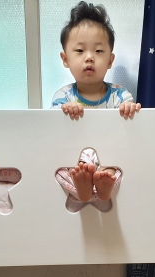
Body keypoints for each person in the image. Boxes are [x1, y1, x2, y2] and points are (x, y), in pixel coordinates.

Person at [52, 1, 141, 205]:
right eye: (80, 50)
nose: (90, 57)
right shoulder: (63, 96)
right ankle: (83, 188)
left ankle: (101, 185)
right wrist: (64, 111)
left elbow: (129, 132)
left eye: (99, 51)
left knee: (118, 168)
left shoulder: (120, 95)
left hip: (109, 159)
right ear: (65, 59)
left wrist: (129, 109)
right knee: (61, 170)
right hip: (75, 163)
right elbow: (53, 132)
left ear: (110, 60)